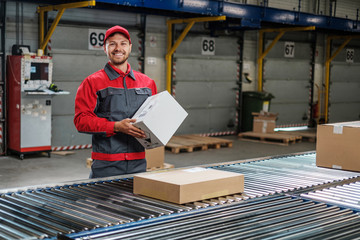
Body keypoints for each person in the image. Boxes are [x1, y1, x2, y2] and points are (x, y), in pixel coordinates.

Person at [74, 25, 157, 178]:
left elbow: (154, 120)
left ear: (130, 47)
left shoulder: (147, 83)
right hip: (106, 165)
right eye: (112, 44)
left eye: (123, 43)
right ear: (105, 48)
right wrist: (116, 126)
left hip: (138, 163)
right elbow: (81, 120)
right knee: (103, 202)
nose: (118, 48)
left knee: (136, 203)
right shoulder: (92, 82)